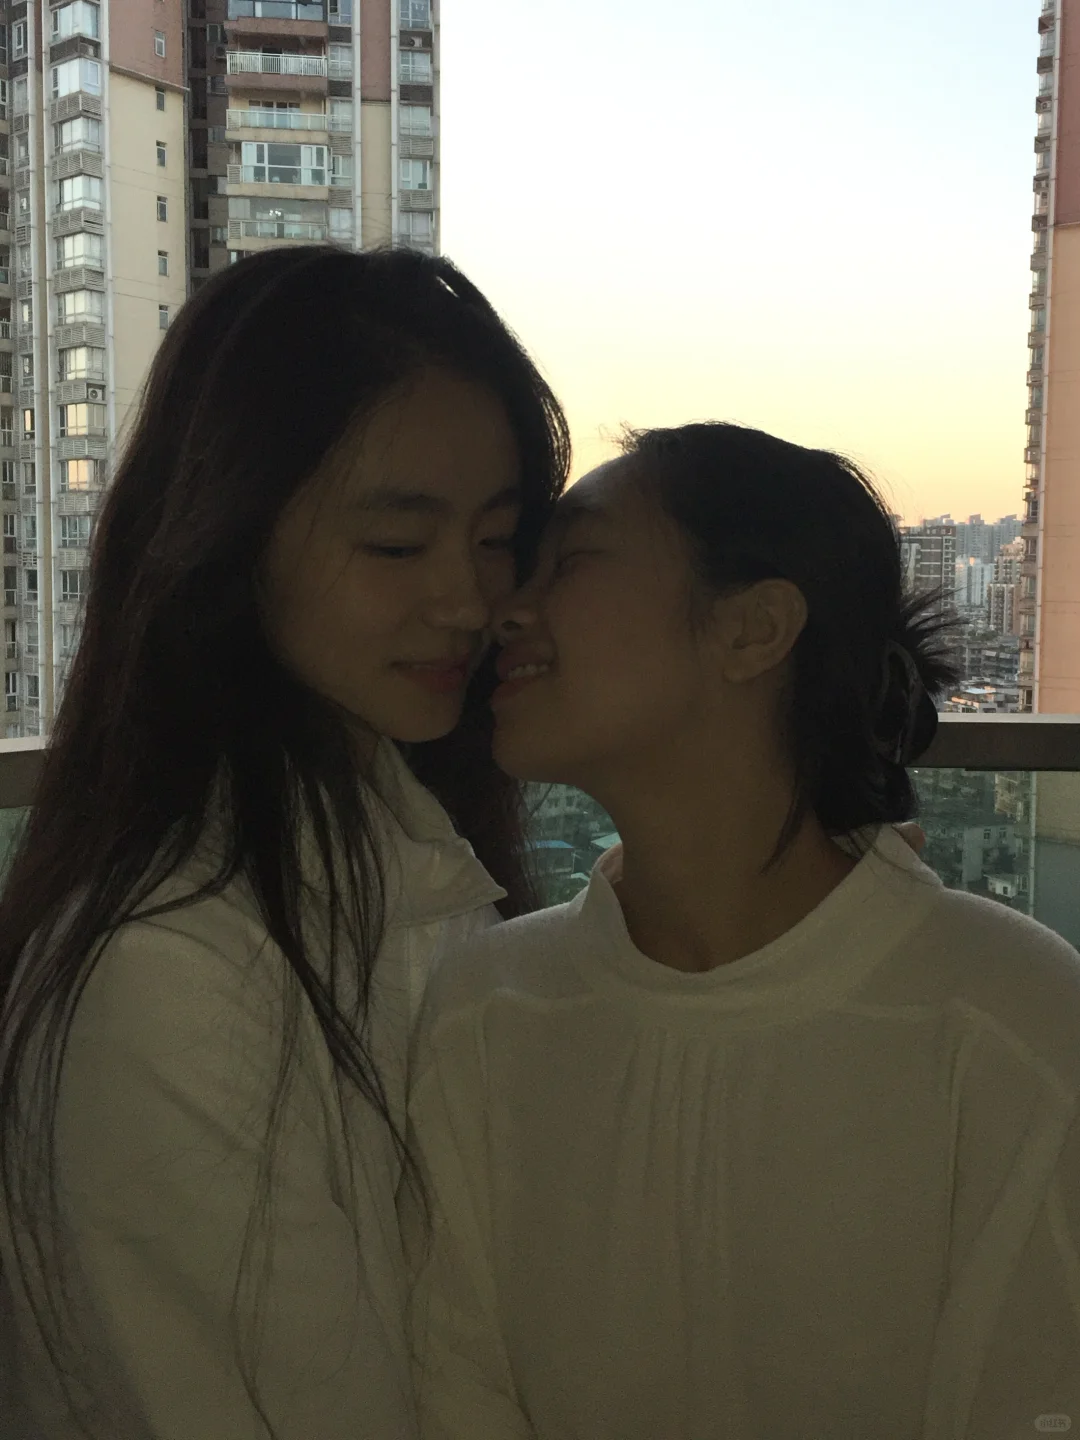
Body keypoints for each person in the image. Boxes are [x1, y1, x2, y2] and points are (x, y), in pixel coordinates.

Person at [403, 423, 1080, 1439]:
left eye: (571, 562)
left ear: (754, 629)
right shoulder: (483, 1011)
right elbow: (454, 1391)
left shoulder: (1007, 1020)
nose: (506, 609)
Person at [0, 245, 570, 1440]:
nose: (470, 601)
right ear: (231, 538)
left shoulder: (412, 856)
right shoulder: (172, 970)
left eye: (497, 538)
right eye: (398, 545)